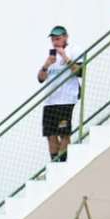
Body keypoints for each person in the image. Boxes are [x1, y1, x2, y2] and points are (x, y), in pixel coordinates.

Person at [37, 25, 81, 163]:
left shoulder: (74, 50)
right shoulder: (50, 55)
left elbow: (80, 72)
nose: (55, 42)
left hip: (66, 99)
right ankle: (54, 162)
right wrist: (46, 65)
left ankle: (62, 162)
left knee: (64, 132)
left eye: (58, 38)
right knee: (50, 134)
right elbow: (40, 79)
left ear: (66, 37)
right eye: (53, 40)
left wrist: (65, 57)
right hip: (50, 100)